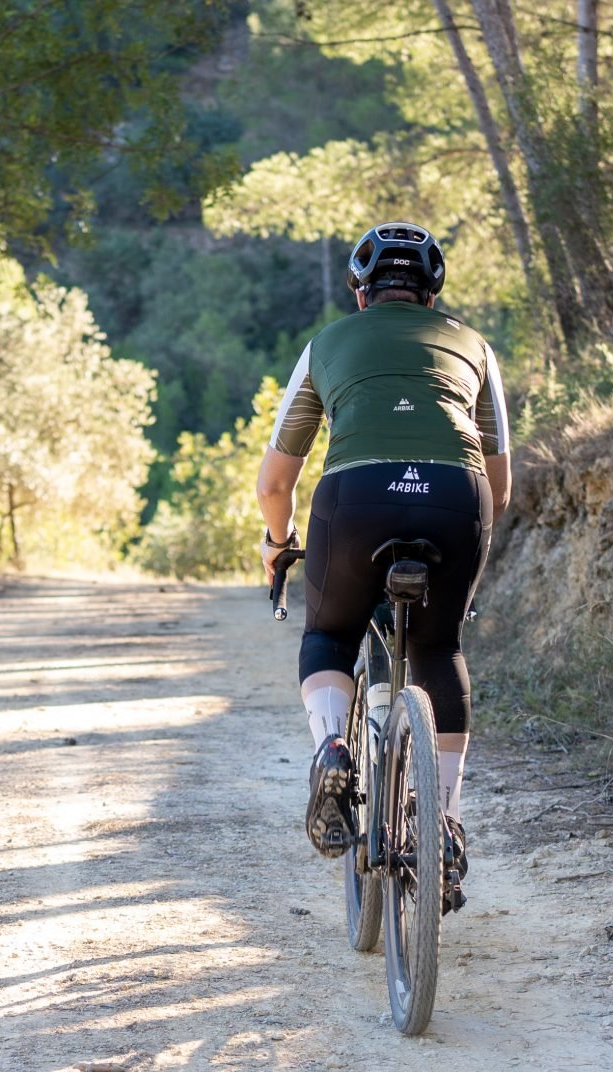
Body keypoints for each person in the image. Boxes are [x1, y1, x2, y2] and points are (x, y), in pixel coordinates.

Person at [256, 220, 511, 890]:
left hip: (355, 496)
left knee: (330, 634)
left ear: (360, 292)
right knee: (439, 647)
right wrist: (466, 560)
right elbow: (501, 481)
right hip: (457, 498)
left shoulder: (325, 345)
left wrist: (279, 545)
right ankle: (445, 821)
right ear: (431, 295)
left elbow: (275, 482)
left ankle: (333, 747)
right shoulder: (474, 347)